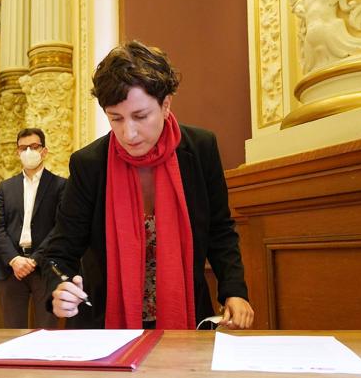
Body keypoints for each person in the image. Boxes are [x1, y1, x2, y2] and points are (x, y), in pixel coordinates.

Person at [42, 41, 254, 330]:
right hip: (106, 324)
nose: (128, 133)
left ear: (166, 105)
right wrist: (60, 286)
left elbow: (220, 230)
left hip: (186, 315)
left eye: (140, 116)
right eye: (115, 119)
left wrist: (234, 291)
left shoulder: (201, 148)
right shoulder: (89, 163)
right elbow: (60, 250)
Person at [0, 128, 66, 328]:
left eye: (34, 147)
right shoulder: (6, 187)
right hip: (11, 269)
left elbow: (60, 227)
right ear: (17, 153)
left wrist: (33, 261)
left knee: (47, 333)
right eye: (23, 148)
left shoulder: (60, 185)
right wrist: (14, 260)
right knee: (12, 333)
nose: (29, 152)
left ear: (44, 151)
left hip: (45, 268)